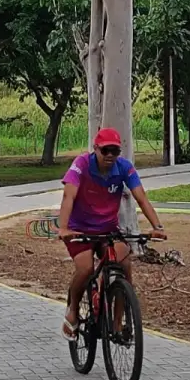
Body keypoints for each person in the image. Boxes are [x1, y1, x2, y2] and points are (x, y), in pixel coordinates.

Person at [56, 128, 167, 339]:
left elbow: (141, 198)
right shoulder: (81, 165)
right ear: (96, 149)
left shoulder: (124, 167)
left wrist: (157, 227)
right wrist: (63, 228)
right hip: (79, 229)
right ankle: (72, 309)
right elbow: (68, 196)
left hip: (108, 228)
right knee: (86, 267)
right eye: (105, 150)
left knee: (124, 263)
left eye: (114, 151)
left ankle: (117, 324)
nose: (109, 155)